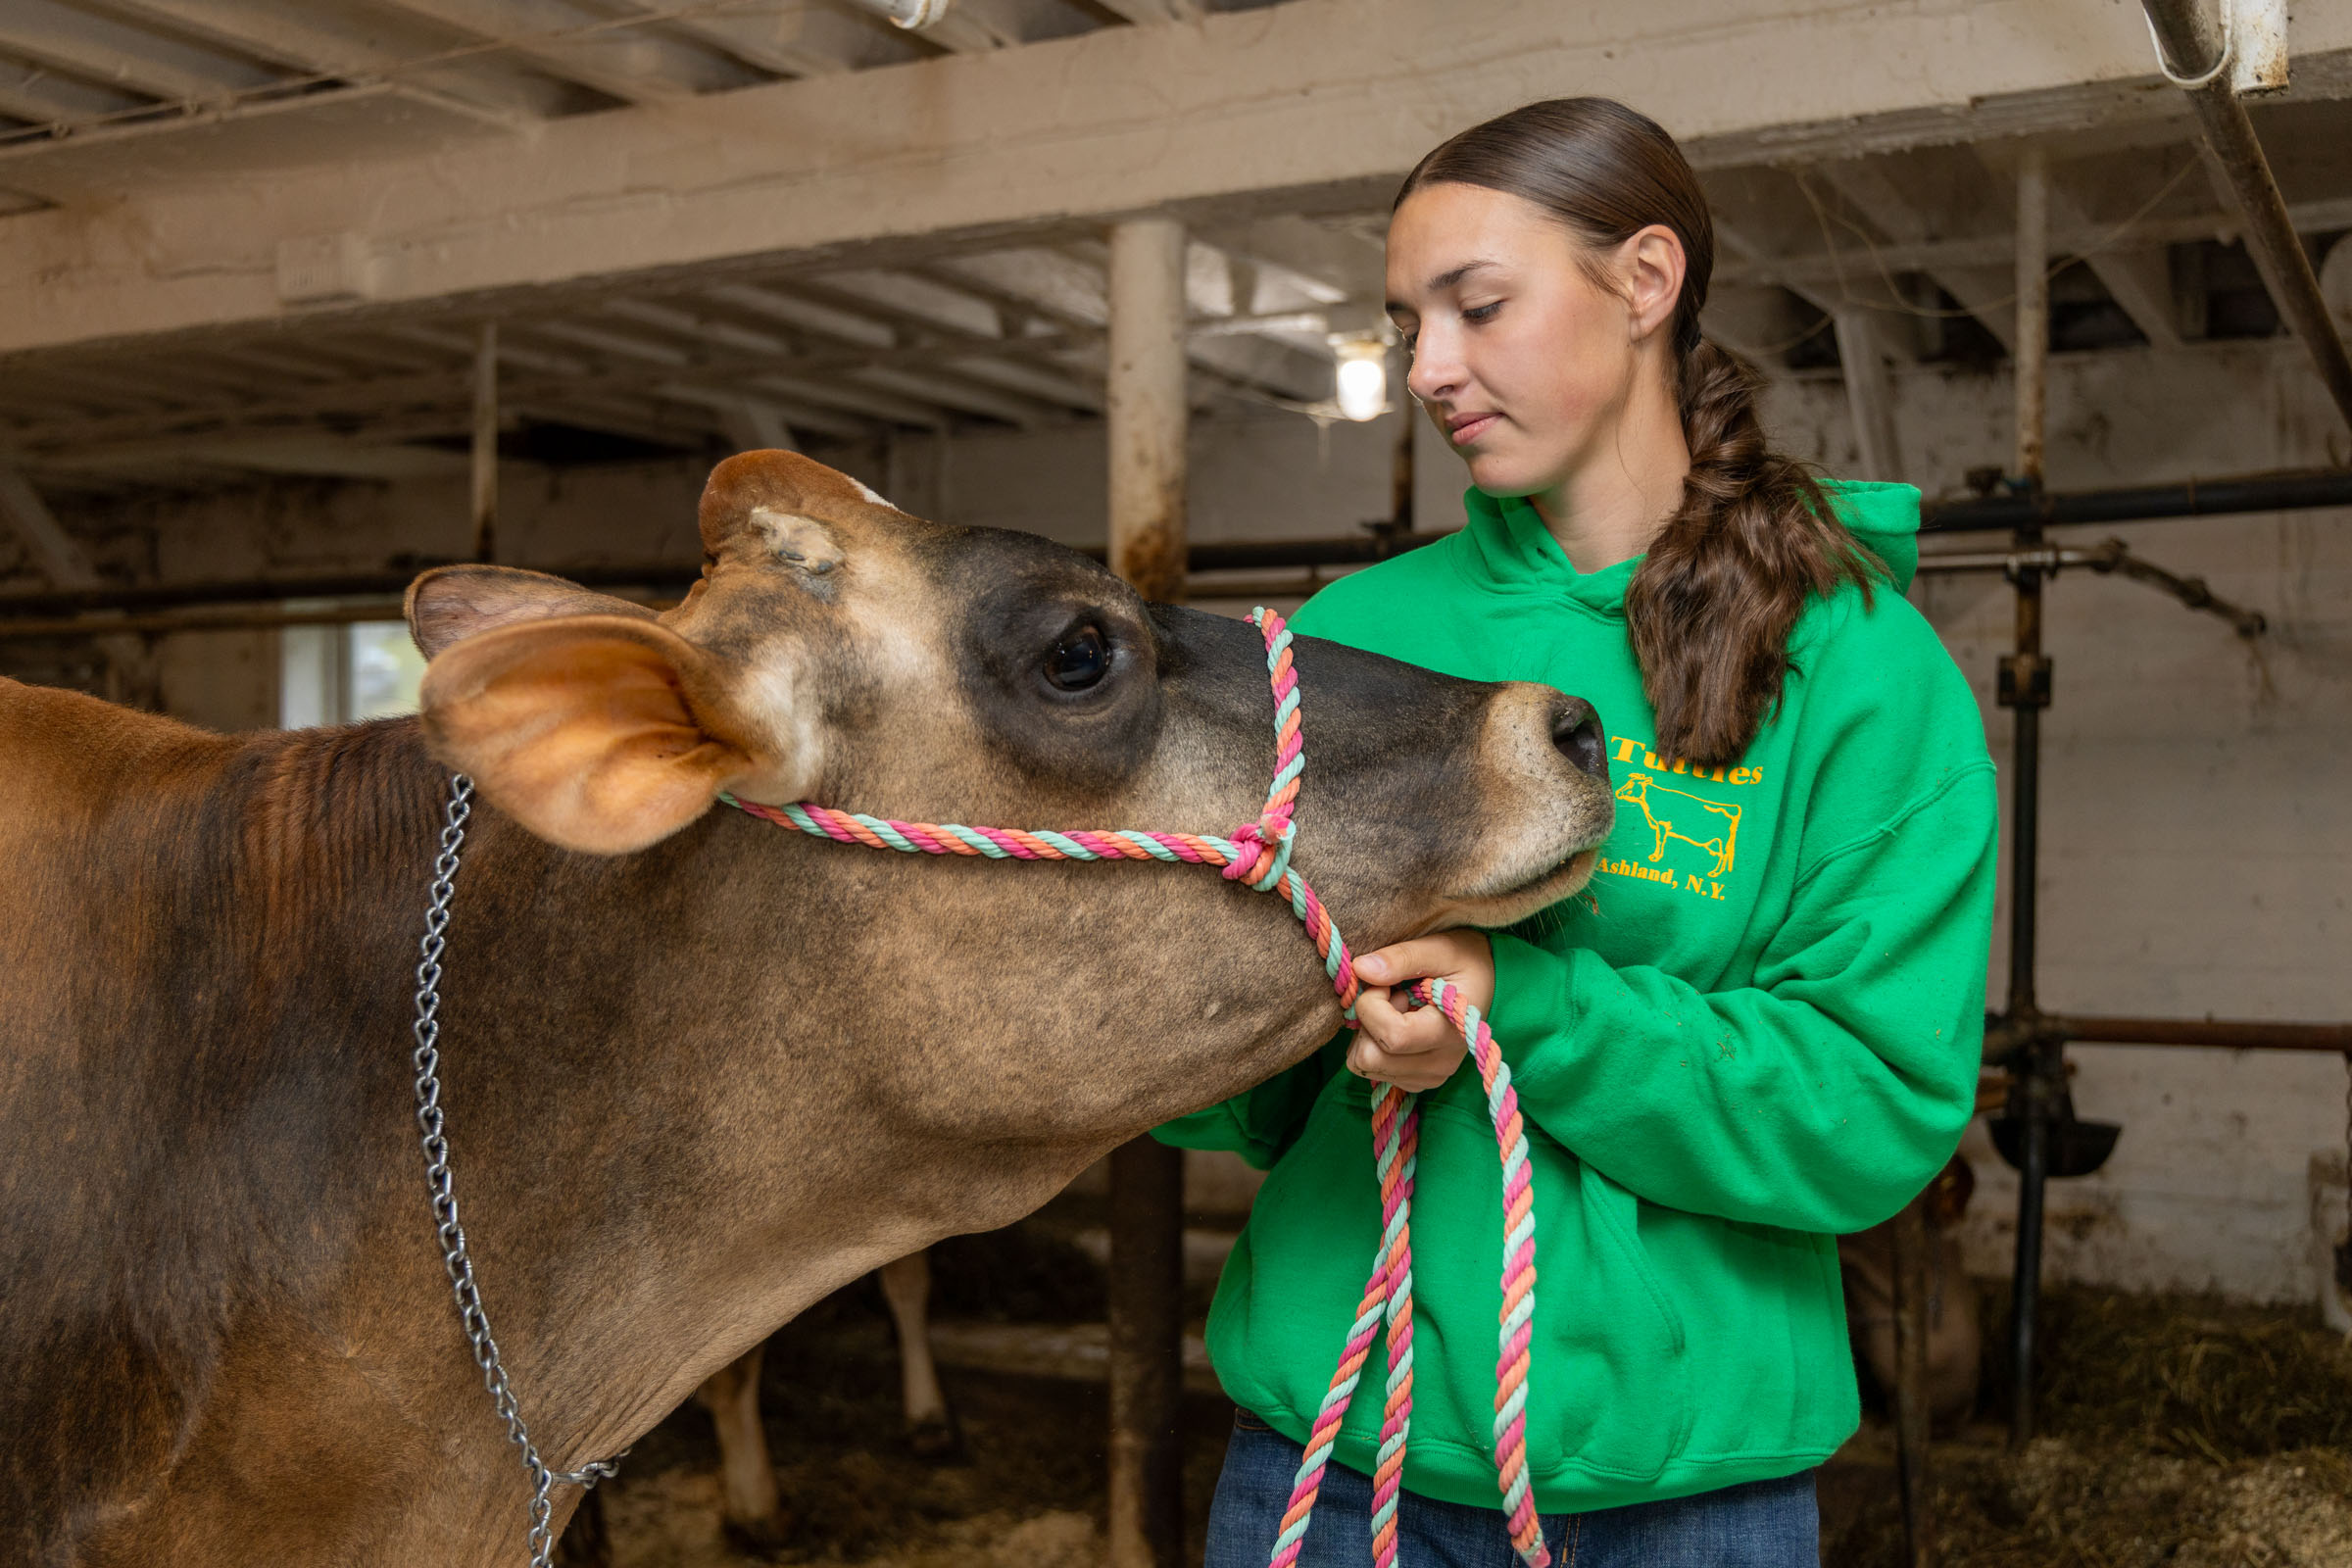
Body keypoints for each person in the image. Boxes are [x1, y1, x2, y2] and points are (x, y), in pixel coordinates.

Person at [1157, 97, 1997, 1568]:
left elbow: (1871, 1107)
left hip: (1688, 1491)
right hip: (1340, 1449)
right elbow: (1214, 1089)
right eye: (1409, 320)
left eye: (1477, 307)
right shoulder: (1345, 642)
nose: (1427, 368)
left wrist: (1515, 1003)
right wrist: (1244, 998)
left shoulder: (1860, 669)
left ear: (1647, 281)